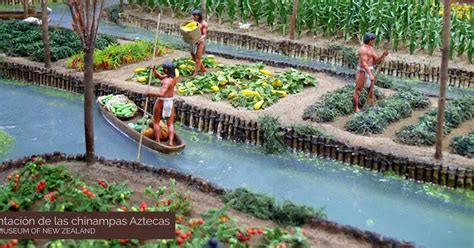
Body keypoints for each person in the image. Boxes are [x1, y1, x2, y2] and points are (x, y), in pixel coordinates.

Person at [353, 32, 389, 113]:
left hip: (370, 69)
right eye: (374, 40)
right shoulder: (363, 49)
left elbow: (375, 60)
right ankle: (356, 108)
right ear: (370, 40)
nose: (375, 41)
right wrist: (370, 74)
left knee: (371, 90)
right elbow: (364, 63)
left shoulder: (371, 48)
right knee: (358, 90)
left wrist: (383, 55)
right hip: (362, 71)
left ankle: (370, 105)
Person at [145, 62, 178, 146]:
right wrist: (154, 70)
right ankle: (170, 142)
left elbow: (162, 94)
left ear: (168, 69)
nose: (163, 70)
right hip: (170, 102)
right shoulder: (173, 79)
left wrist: (150, 93)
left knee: (156, 122)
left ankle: (158, 141)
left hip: (162, 101)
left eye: (165, 68)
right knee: (170, 124)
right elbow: (161, 77)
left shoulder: (166, 81)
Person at [190, 9, 208, 76]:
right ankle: (203, 70)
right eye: (193, 16)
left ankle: (195, 73)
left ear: (198, 16)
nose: (193, 17)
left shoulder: (204, 24)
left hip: (200, 42)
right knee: (193, 57)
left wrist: (199, 39)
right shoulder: (192, 22)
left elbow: (204, 34)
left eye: (194, 16)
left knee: (198, 58)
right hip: (193, 41)